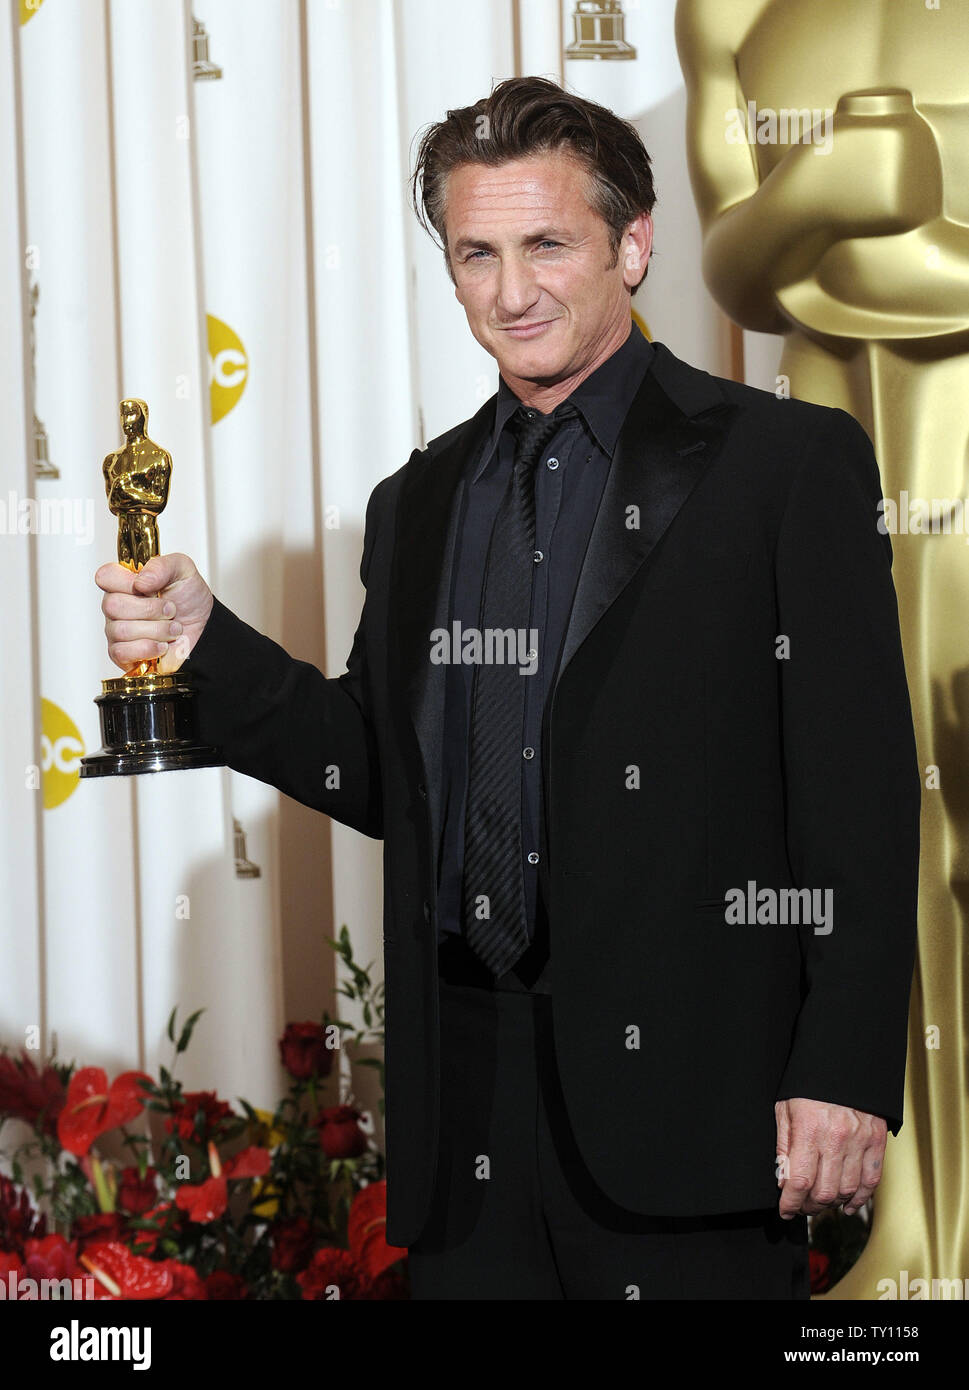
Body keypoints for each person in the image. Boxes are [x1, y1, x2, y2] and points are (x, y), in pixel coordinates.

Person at [95, 76, 920, 1301]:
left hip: (692, 1110)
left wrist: (844, 1066)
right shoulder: (416, 501)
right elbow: (385, 769)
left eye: (548, 245)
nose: (511, 291)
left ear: (633, 246)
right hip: (466, 1120)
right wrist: (207, 640)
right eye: (476, 252)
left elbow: (860, 793)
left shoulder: (784, 465)